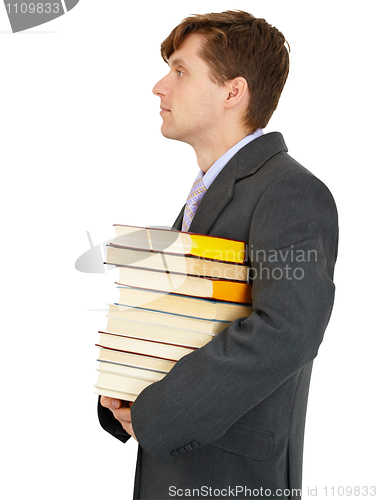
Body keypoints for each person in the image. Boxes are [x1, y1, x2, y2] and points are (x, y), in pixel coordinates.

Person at [98, 10, 338, 500]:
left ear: (233, 92)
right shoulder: (208, 192)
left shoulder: (290, 191)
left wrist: (156, 413)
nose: (159, 87)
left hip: (232, 480)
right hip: (179, 468)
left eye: (180, 71)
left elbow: (286, 332)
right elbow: (190, 318)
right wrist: (126, 392)